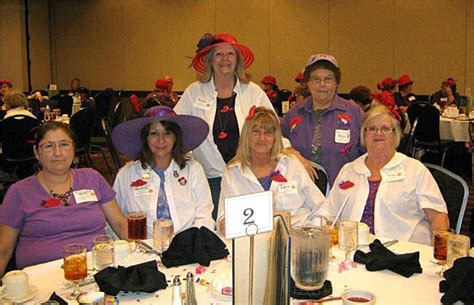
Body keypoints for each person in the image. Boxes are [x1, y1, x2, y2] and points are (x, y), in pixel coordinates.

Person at [0, 121, 128, 275]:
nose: (58, 153)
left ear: (73, 147)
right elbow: (4, 249)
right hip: (43, 277)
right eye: (48, 146)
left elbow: (120, 224)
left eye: (64, 144)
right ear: (36, 152)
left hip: (97, 270)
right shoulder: (19, 192)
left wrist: (143, 258)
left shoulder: (92, 178)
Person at [174, 33, 275, 219]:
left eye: (230, 53)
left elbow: (272, 129)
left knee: (250, 229)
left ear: (237, 60)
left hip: (248, 176)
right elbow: (174, 129)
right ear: (210, 60)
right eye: (218, 54)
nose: (225, 59)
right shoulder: (193, 92)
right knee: (216, 232)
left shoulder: (253, 91)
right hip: (210, 179)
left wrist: (292, 153)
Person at [320, 105, 449, 245]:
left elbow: (438, 218)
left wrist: (438, 252)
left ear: (396, 135)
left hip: (404, 253)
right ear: (364, 134)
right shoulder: (348, 170)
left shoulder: (415, 170)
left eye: (385, 129)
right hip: (352, 250)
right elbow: (328, 215)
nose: (378, 133)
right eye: (372, 129)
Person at [112, 106, 215, 238]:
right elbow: (116, 220)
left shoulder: (193, 170)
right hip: (142, 249)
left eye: (167, 133)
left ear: (175, 137)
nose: (161, 140)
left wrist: (192, 243)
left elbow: (204, 214)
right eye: (154, 133)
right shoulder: (126, 175)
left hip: (187, 247)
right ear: (146, 138)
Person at [217, 106, 325, 232]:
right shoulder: (232, 172)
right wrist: (225, 224)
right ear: (246, 135)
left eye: (268, 133)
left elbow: (320, 206)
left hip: (296, 235)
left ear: (276, 137)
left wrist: (312, 231)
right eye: (256, 131)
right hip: (251, 241)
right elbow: (223, 218)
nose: (262, 138)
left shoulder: (291, 164)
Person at [281, 54, 364, 187]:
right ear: (307, 83)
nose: (322, 84)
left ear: (337, 83)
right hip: (301, 192)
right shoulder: (294, 114)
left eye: (328, 79)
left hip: (345, 192)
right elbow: (278, 145)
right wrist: (292, 153)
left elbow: (370, 152)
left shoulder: (354, 113)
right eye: (316, 79)